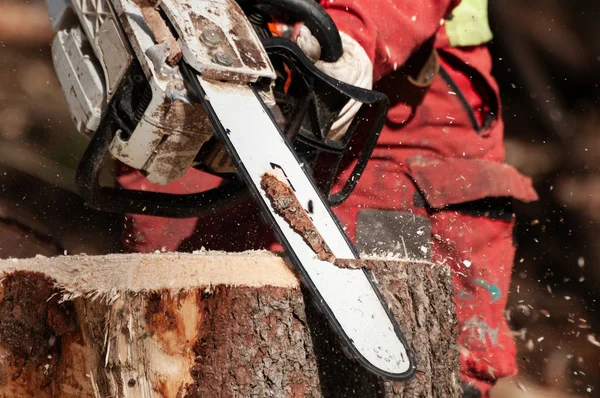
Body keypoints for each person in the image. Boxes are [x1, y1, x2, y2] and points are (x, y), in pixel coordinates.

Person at [118, 1, 539, 396]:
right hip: (201, 63)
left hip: (394, 105)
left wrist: (353, 27)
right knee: (172, 341)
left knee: (403, 346)